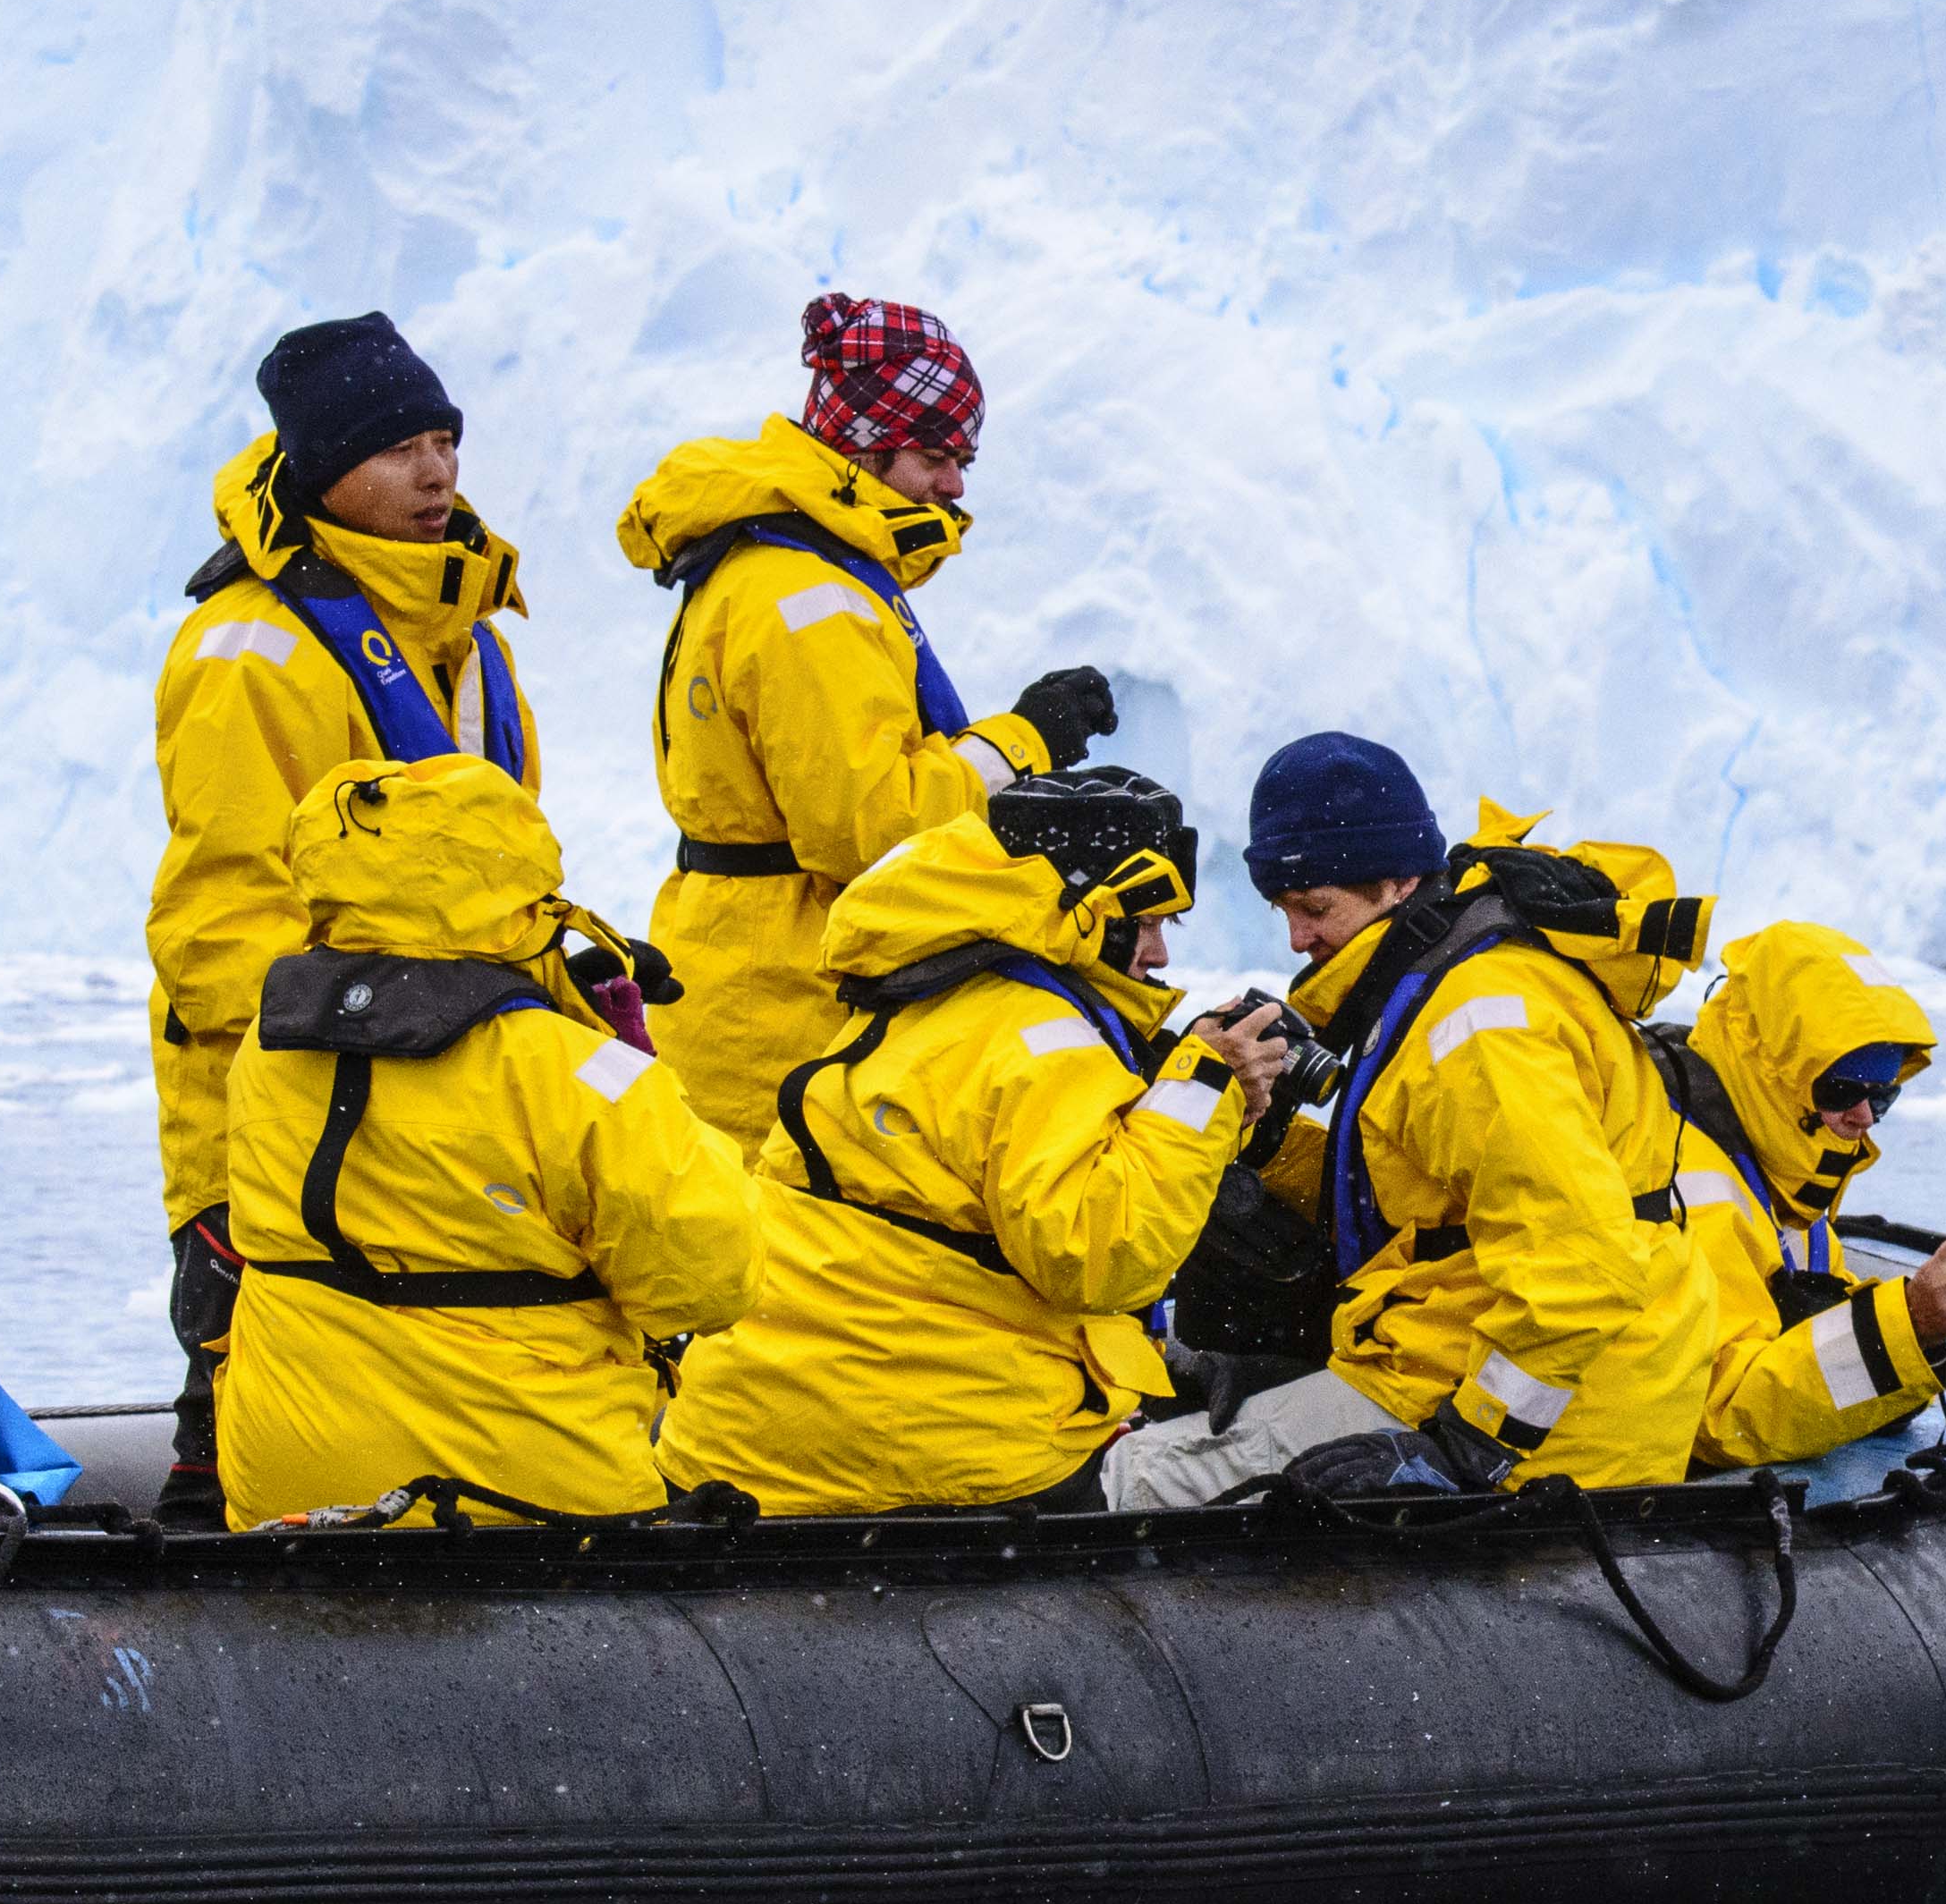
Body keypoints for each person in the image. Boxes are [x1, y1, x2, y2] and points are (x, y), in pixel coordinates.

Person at [1094, 739, 1717, 1508]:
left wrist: (1465, 1448)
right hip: (1506, 1363)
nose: (1296, 938)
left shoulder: (1479, 1029)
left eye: (1315, 907)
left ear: (1396, 882)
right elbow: (1420, 1193)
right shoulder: (1459, 981)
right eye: (1285, 911)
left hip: (1548, 1421)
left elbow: (1584, 1269)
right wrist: (1265, 1141)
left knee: (1142, 1475)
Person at [146, 313, 536, 1527]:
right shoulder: (251, 651)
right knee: (252, 1408)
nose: (436, 477)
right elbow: (224, 930)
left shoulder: (470, 642)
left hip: (447, 1104)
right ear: (323, 472)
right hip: (292, 1114)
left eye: (444, 443)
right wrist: (376, 1033)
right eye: (398, 450)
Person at [659, 771, 1291, 1515]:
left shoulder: (921, 997)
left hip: (744, 1440)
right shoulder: (1043, 1038)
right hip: (935, 1458)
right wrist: (1202, 1090)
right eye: (1148, 923)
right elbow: (1100, 1255)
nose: (1155, 955)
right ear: (1089, 913)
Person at [619, 295, 1120, 1148]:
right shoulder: (808, 599)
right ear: (863, 443)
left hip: (759, 975)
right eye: (934, 455)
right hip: (784, 1002)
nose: (956, 485)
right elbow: (872, 829)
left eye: (963, 458)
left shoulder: (796, 570)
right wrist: (1023, 742)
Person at [213, 755, 754, 1528]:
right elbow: (707, 1283)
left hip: (291, 1491)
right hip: (528, 1498)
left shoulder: (268, 1051)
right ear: (522, 892)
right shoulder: (581, 1074)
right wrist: (627, 1067)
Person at [1660, 922, 1946, 1468]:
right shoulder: (1686, 1189)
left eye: (1883, 1095)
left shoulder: (1785, 1177)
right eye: (1841, 1089)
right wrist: (1907, 1326)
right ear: (1769, 1073)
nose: (1865, 1116)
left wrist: (1915, 1334)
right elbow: (1718, 1417)